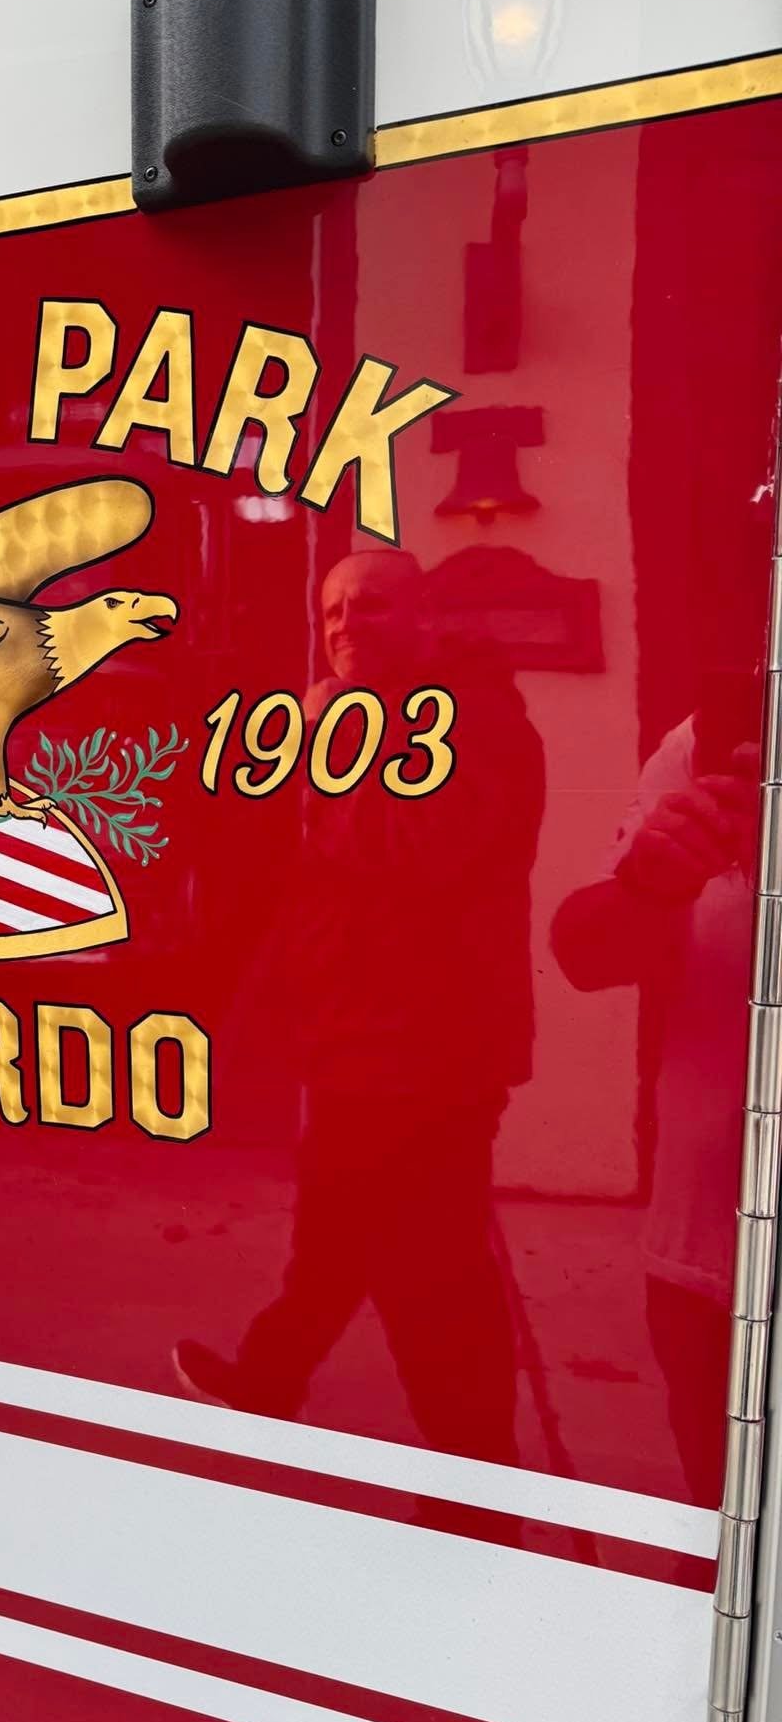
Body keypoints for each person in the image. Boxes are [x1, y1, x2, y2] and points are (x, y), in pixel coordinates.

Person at [176, 550, 545, 1464]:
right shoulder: (366, 725)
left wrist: (323, 764)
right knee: (334, 1240)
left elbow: (420, 859)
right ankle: (269, 1383)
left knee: (436, 1278)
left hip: (429, 1053)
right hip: (354, 1039)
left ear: (425, 622)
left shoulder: (478, 724)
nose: (346, 625)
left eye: (373, 608)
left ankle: (479, 1488)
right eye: (334, 609)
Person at [550, 689, 756, 1501]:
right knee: (717, 1531)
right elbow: (585, 951)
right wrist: (652, 881)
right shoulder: (718, 737)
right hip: (709, 1253)